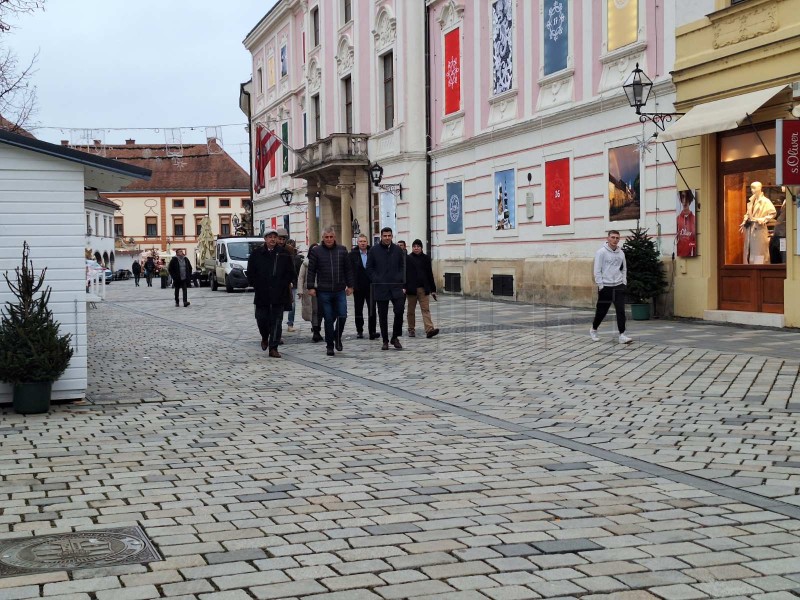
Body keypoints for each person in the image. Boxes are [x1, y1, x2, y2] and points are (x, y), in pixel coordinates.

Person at [247, 228, 295, 358]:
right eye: (270, 237)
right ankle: (264, 337)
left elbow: (290, 272)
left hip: (279, 293)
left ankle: (273, 347)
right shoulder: (256, 254)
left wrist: (284, 283)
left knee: (277, 321)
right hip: (262, 293)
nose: (273, 239)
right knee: (261, 318)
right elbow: (250, 272)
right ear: (265, 239)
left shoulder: (283, 253)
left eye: (275, 237)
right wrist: (255, 284)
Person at [306, 227, 354, 357]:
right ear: (322, 238)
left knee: (342, 315)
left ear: (334, 237)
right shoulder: (316, 251)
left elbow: (348, 269)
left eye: (331, 237)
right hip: (324, 290)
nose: (328, 239)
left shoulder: (342, 250)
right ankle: (330, 345)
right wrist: (310, 287)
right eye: (326, 237)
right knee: (328, 318)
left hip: (339, 290)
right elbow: (311, 270)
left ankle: (337, 337)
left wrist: (350, 285)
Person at [367, 227, 406, 351]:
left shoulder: (398, 250)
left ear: (392, 236)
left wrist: (400, 279)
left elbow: (402, 266)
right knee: (382, 315)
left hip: (396, 287)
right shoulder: (374, 250)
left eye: (389, 235)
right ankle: (385, 340)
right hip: (381, 287)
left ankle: (395, 337)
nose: (387, 238)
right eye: (385, 236)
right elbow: (369, 268)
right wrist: (376, 279)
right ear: (381, 236)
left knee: (399, 310)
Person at [590, 230, 631, 344]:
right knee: (602, 311)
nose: (615, 240)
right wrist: (601, 285)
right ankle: (593, 329)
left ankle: (622, 335)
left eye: (617, 238)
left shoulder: (621, 253)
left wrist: (624, 282)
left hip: (618, 286)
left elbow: (624, 269)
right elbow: (597, 270)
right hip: (606, 287)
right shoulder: (601, 252)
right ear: (608, 238)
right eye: (612, 237)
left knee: (621, 311)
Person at [406, 239, 439, 339]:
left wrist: (433, 289)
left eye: (418, 246)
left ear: (421, 248)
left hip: (423, 289)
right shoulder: (408, 258)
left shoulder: (426, 258)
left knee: (425, 309)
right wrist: (404, 287)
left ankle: (429, 330)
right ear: (412, 248)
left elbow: (430, 274)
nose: (416, 248)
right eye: (414, 246)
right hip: (411, 289)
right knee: (410, 311)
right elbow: (405, 274)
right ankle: (411, 329)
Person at [740, 181, 776, 265]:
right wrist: (744, 220)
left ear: (760, 188)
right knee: (749, 252)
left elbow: (773, 213)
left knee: (759, 252)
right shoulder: (751, 201)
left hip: (759, 229)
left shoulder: (765, 201)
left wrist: (762, 219)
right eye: (751, 188)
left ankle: (760, 271)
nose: (752, 190)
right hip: (750, 229)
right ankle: (750, 271)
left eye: (754, 187)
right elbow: (748, 214)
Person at [349, 234, 377, 339]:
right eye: (361, 241)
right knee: (358, 309)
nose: (363, 243)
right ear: (358, 242)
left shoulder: (373, 252)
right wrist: (351, 285)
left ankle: (372, 331)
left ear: (367, 242)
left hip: (371, 286)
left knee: (372, 309)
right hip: (358, 287)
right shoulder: (352, 254)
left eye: (364, 241)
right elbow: (350, 271)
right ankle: (359, 330)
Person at [298, 243, 323, 343]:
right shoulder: (305, 263)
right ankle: (316, 330)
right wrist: (300, 291)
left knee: (320, 311)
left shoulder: (322, 262)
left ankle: (317, 329)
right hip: (309, 289)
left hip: (321, 289)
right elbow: (301, 277)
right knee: (313, 311)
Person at [285, 239, 303, 332]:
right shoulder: (282, 254)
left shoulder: (296, 257)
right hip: (284, 283)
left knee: (292, 305)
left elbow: (298, 272)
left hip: (293, 283)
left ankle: (290, 323)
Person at [676, 191, 696, 258]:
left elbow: (695, 242)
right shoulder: (677, 219)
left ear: (690, 199)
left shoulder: (694, 219)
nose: (684, 201)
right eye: (682, 197)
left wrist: (690, 245)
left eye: (686, 197)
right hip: (680, 257)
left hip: (691, 257)